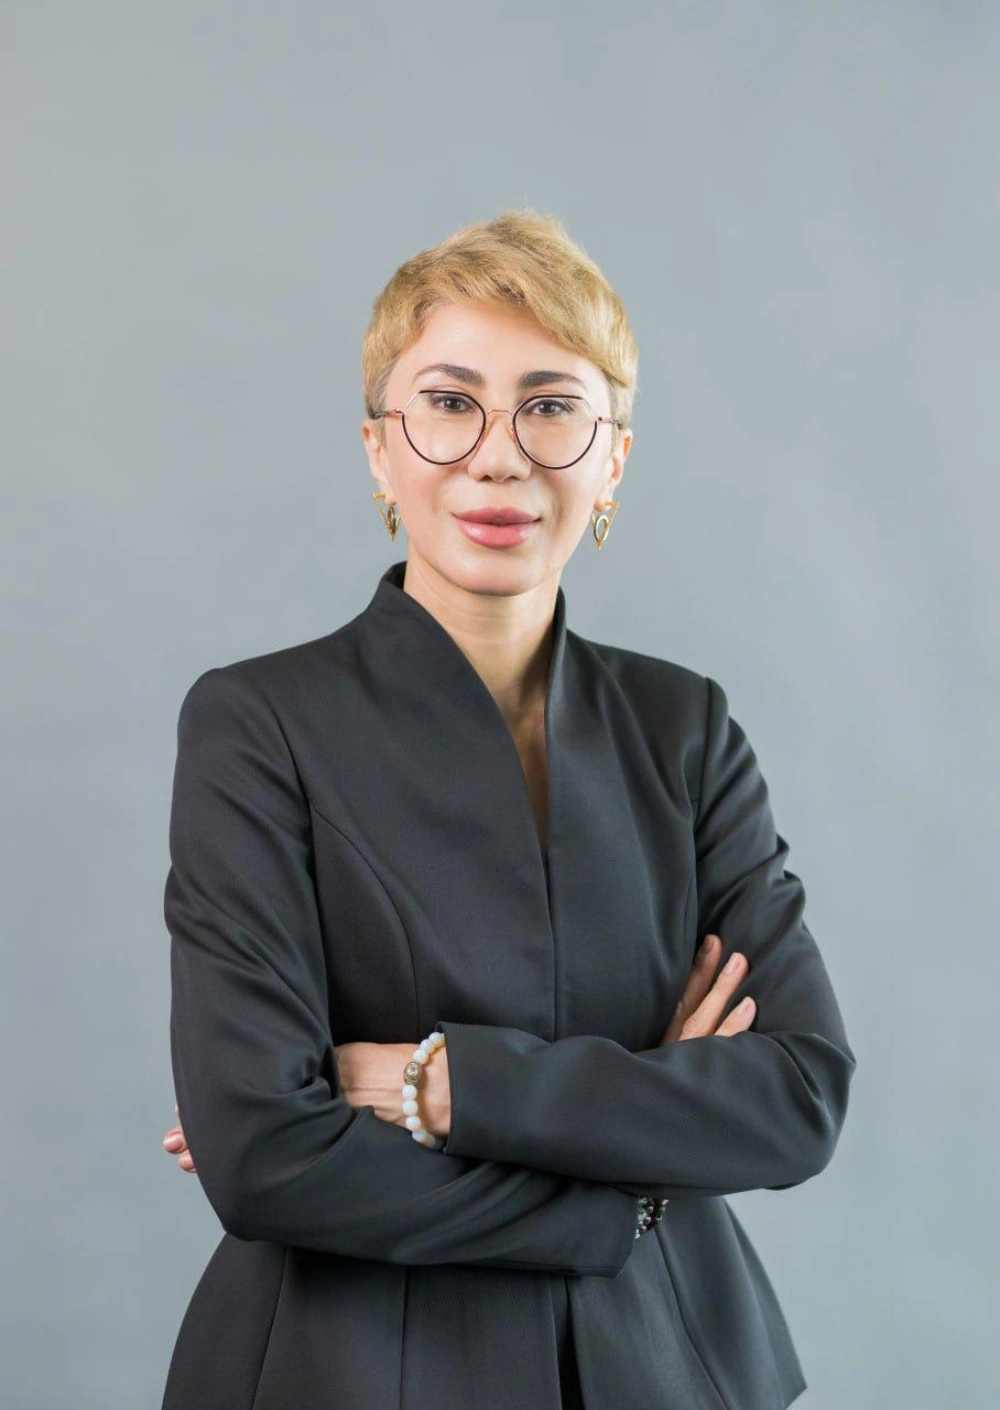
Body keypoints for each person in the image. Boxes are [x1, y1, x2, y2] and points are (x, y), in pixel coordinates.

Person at [158, 209, 856, 1410]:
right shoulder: (257, 723)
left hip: (665, 1364)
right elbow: (263, 1155)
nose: (497, 457)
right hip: (353, 1369)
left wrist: (441, 1086)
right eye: (447, 403)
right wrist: (629, 1182)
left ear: (612, 458)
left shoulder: (684, 728)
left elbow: (794, 1099)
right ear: (379, 450)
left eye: (550, 407)